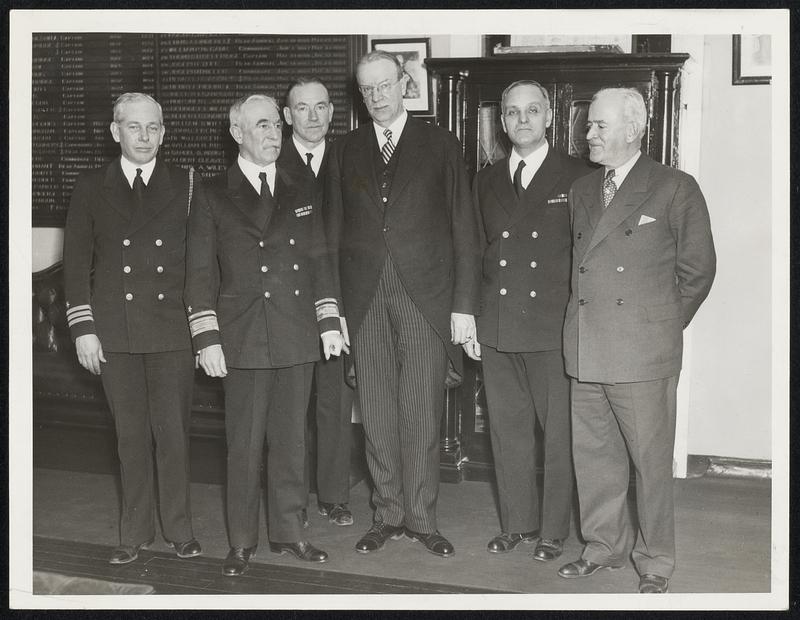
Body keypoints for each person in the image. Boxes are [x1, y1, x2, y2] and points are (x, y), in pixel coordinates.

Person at [558, 87, 716, 593]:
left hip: (643, 352)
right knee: (596, 460)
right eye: (588, 126)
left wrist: (660, 327)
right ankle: (603, 547)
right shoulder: (584, 189)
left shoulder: (674, 187)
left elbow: (698, 272)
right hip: (586, 346)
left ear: (633, 128)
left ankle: (655, 561)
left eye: (600, 126)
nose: (589, 135)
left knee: (650, 465)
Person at [326, 51, 481, 558]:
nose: (376, 97)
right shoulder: (346, 149)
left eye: (384, 86)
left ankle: (422, 518)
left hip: (425, 296)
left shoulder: (440, 143)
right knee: (375, 411)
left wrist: (462, 305)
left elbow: (464, 227)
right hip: (364, 297)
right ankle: (386, 514)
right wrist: (336, 311)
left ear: (404, 83)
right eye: (366, 90)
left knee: (421, 410)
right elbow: (330, 233)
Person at [184, 93, 345, 576]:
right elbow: (198, 272)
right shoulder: (212, 192)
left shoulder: (301, 187)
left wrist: (329, 320)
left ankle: (290, 532)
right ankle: (241, 541)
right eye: (262, 125)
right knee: (245, 444)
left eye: (277, 124)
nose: (274, 133)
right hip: (242, 338)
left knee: (292, 440)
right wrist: (206, 337)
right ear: (237, 133)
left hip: (296, 333)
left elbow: (320, 260)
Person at [63, 92, 202, 565]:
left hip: (170, 333)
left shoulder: (185, 183)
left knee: (173, 435)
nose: (144, 137)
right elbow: (77, 264)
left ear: (164, 133)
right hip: (114, 333)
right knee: (130, 435)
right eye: (134, 127)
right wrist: (84, 328)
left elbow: (200, 264)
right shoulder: (90, 186)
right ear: (115, 131)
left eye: (153, 128)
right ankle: (134, 531)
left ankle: (179, 528)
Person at [463, 81, 590, 561]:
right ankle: (516, 523)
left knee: (558, 434)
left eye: (532, 111)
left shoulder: (578, 176)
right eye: (512, 112)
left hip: (551, 327)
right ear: (502, 121)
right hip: (497, 325)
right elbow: (474, 252)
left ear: (549, 117)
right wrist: (473, 319)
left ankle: (553, 531)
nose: (522, 120)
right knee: (507, 430)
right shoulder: (486, 179)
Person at [280, 77, 355, 528]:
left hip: (339, 298)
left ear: (332, 112)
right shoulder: (269, 155)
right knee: (289, 409)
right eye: (302, 108)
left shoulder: (348, 157)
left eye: (321, 107)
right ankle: (291, 500)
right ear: (287, 115)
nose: (313, 117)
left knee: (334, 400)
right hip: (287, 300)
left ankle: (333, 494)